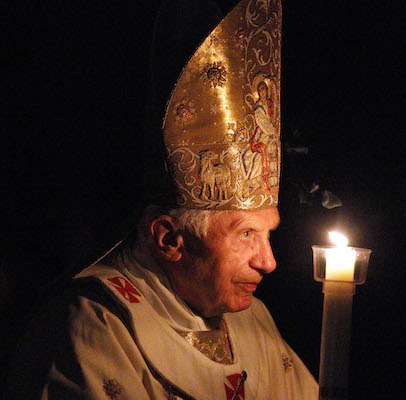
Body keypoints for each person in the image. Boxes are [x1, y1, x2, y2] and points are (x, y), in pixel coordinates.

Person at [4, 0, 319, 398]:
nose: (268, 261)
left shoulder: (251, 317)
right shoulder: (95, 323)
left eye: (267, 233)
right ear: (169, 238)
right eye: (245, 235)